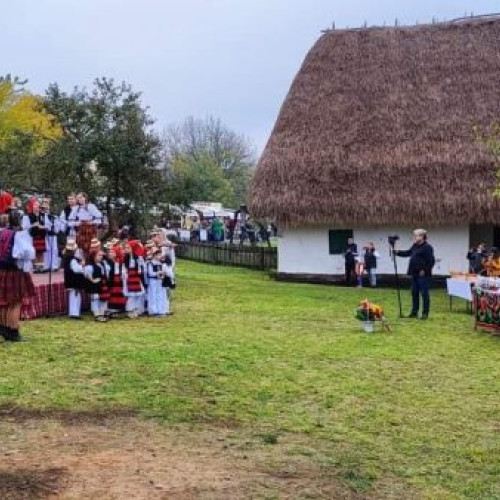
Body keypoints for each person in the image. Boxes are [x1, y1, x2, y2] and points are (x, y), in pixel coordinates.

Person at [0, 212, 35, 342]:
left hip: (2, 270)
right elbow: (26, 253)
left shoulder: (3, 232)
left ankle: (4, 328)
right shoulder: (19, 234)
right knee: (15, 302)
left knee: (4, 303)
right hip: (15, 271)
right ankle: (13, 331)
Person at [395, 229, 435, 320]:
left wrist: (425, 270)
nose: (415, 237)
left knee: (424, 293)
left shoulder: (427, 247)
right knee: (414, 293)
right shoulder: (415, 246)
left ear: (422, 236)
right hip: (414, 273)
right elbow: (408, 253)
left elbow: (431, 261)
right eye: (415, 236)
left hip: (423, 275)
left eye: (416, 236)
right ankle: (414, 312)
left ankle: (425, 313)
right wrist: (397, 252)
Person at [68, 192, 102, 259]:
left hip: (90, 230)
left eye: (81, 197)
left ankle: (91, 262)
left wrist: (91, 222)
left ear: (85, 198)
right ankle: (83, 263)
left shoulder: (91, 206)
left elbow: (99, 219)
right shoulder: (76, 208)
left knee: (92, 247)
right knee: (81, 247)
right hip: (81, 230)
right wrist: (78, 223)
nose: (79, 199)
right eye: (78, 198)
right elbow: (70, 222)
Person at [22, 198, 48, 273]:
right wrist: (33, 225)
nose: (37, 206)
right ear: (32, 206)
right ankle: (36, 268)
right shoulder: (28, 216)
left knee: (41, 252)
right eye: (35, 205)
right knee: (35, 252)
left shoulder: (43, 215)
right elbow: (24, 227)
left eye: (38, 205)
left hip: (42, 235)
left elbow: (49, 225)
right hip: (33, 236)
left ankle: (41, 268)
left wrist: (43, 227)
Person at [62, 239, 86, 319]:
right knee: (75, 297)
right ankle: (74, 313)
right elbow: (76, 270)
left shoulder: (67, 258)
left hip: (70, 280)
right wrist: (82, 266)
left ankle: (74, 312)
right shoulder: (72, 260)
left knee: (74, 296)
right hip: (73, 281)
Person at [85, 250, 110, 322]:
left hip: (102, 284)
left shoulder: (102, 264)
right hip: (94, 285)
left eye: (101, 255)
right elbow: (87, 275)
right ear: (94, 256)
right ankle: (97, 314)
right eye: (99, 255)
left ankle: (102, 313)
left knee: (103, 298)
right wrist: (92, 280)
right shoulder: (90, 266)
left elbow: (105, 273)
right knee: (95, 298)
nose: (101, 257)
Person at [146, 248, 170, 317]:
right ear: (154, 255)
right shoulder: (150, 263)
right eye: (158, 255)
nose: (159, 256)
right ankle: (153, 310)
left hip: (159, 281)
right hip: (153, 281)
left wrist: (163, 274)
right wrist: (158, 273)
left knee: (160, 295)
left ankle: (161, 309)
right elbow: (150, 273)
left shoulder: (160, 264)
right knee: (153, 295)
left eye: (160, 254)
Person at [40, 197, 61, 272]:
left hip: (52, 235)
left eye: (47, 203)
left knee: (54, 249)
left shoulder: (53, 215)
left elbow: (57, 225)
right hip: (43, 235)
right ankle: (46, 266)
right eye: (44, 202)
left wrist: (55, 230)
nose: (45, 207)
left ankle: (54, 266)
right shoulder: (40, 215)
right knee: (46, 250)